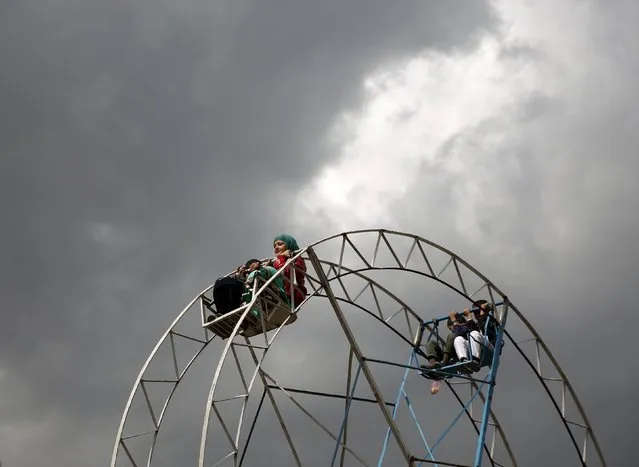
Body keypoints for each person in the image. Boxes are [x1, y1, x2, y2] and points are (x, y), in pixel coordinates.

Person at [270, 234, 307, 307]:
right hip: (279, 293)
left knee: (267, 271)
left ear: (289, 245)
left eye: (280, 244)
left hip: (292, 295)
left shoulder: (296, 259)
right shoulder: (275, 262)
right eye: (274, 246)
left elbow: (287, 273)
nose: (276, 248)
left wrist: (282, 257)